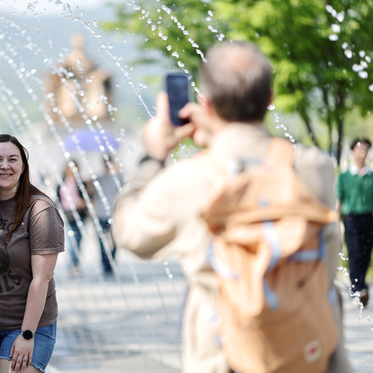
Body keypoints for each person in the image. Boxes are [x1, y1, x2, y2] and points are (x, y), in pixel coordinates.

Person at [111, 41, 351, 373]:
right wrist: (217, 132)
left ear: (205, 103)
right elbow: (253, 159)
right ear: (269, 99)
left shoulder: (186, 182)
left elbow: (128, 233)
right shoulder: (314, 169)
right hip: (312, 357)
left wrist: (154, 156)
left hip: (225, 361)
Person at [0, 134, 64, 373]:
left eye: (12, 159)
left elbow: (42, 278)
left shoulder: (39, 210)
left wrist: (27, 334)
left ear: (23, 166)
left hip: (29, 325)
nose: (4, 166)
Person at [336, 137, 373, 307]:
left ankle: (361, 287)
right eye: (359, 148)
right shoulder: (344, 177)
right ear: (352, 152)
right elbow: (339, 202)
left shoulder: (371, 176)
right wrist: (336, 223)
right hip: (351, 219)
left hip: (369, 218)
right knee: (355, 253)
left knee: (366, 255)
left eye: (365, 149)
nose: (362, 152)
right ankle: (357, 290)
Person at [92, 156, 123, 276]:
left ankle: (110, 263)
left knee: (115, 241)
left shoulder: (119, 178)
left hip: (115, 214)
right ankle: (105, 266)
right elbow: (92, 194)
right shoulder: (99, 179)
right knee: (101, 241)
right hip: (101, 214)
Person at [56, 160, 88, 275]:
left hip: (80, 215)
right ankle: (73, 265)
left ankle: (75, 264)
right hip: (68, 215)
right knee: (71, 241)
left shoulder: (81, 182)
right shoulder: (61, 182)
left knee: (78, 240)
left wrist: (83, 202)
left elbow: (86, 197)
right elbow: (57, 198)